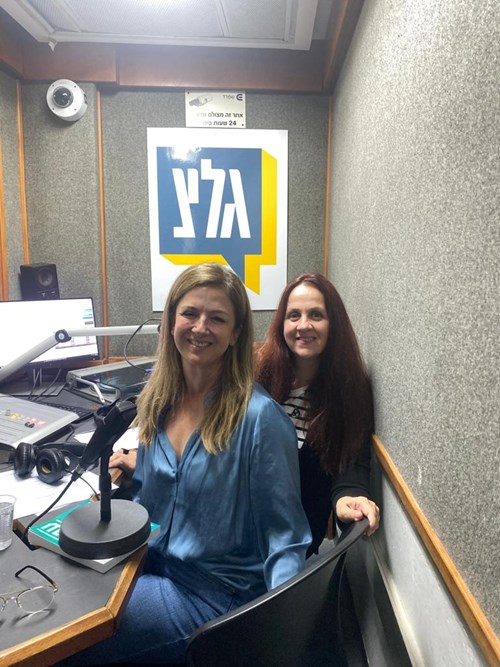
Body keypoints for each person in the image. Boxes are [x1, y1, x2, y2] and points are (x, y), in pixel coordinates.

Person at [61, 263, 311, 665]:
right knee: (57, 597)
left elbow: (285, 537)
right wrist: (134, 472)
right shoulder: (157, 401)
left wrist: (275, 635)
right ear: (171, 321)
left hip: (214, 596)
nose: (200, 327)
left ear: (235, 334)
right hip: (146, 565)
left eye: (218, 318)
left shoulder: (260, 419)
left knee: (68, 639)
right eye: (190, 313)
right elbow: (164, 492)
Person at [256, 273, 380, 557]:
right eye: (294, 315)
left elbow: (352, 461)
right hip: (239, 528)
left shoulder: (350, 389)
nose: (303, 325)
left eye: (316, 315)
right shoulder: (257, 374)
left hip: (294, 540)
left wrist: (349, 499)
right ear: (282, 323)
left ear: (333, 323)